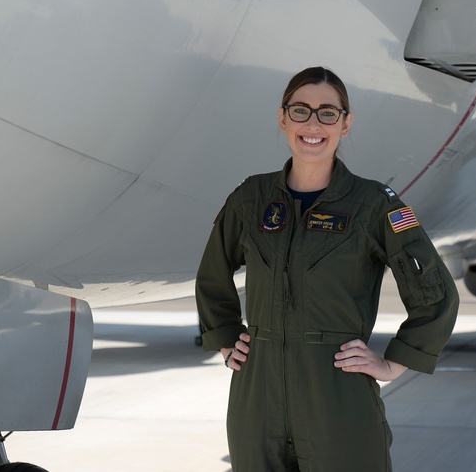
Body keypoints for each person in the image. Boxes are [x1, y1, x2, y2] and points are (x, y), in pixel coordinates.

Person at [195, 66, 459, 471]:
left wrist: (392, 363)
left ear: (346, 124)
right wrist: (228, 340)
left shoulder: (374, 204)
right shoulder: (251, 198)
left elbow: (435, 293)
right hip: (256, 396)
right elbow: (213, 274)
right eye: (300, 111)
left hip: (336, 392)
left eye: (327, 113)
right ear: (283, 119)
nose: (313, 123)